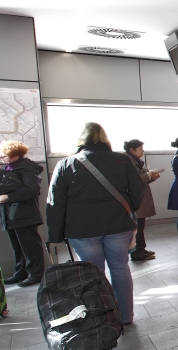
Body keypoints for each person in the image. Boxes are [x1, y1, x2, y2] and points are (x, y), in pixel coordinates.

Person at [46, 123, 144, 325]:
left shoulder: (66, 164)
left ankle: (103, 318)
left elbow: (55, 203)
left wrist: (55, 235)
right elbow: (137, 189)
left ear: (81, 140)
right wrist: (128, 209)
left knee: (94, 273)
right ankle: (126, 316)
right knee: (120, 268)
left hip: (82, 229)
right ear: (105, 139)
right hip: (118, 224)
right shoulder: (122, 160)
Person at [0, 141, 45, 291]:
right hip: (10, 215)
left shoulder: (27, 168)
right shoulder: (8, 168)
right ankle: (21, 272)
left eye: (4, 156)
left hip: (24, 214)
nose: (2, 159)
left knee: (30, 246)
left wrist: (8, 197)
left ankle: (35, 274)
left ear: (15, 156)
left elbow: (32, 189)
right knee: (18, 246)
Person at [124, 139, 160, 261]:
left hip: (140, 198)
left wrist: (151, 177)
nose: (143, 151)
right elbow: (135, 180)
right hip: (136, 199)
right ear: (132, 150)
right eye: (140, 149)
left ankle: (141, 249)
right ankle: (137, 253)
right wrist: (149, 175)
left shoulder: (135, 161)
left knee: (140, 226)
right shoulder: (128, 162)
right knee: (138, 227)